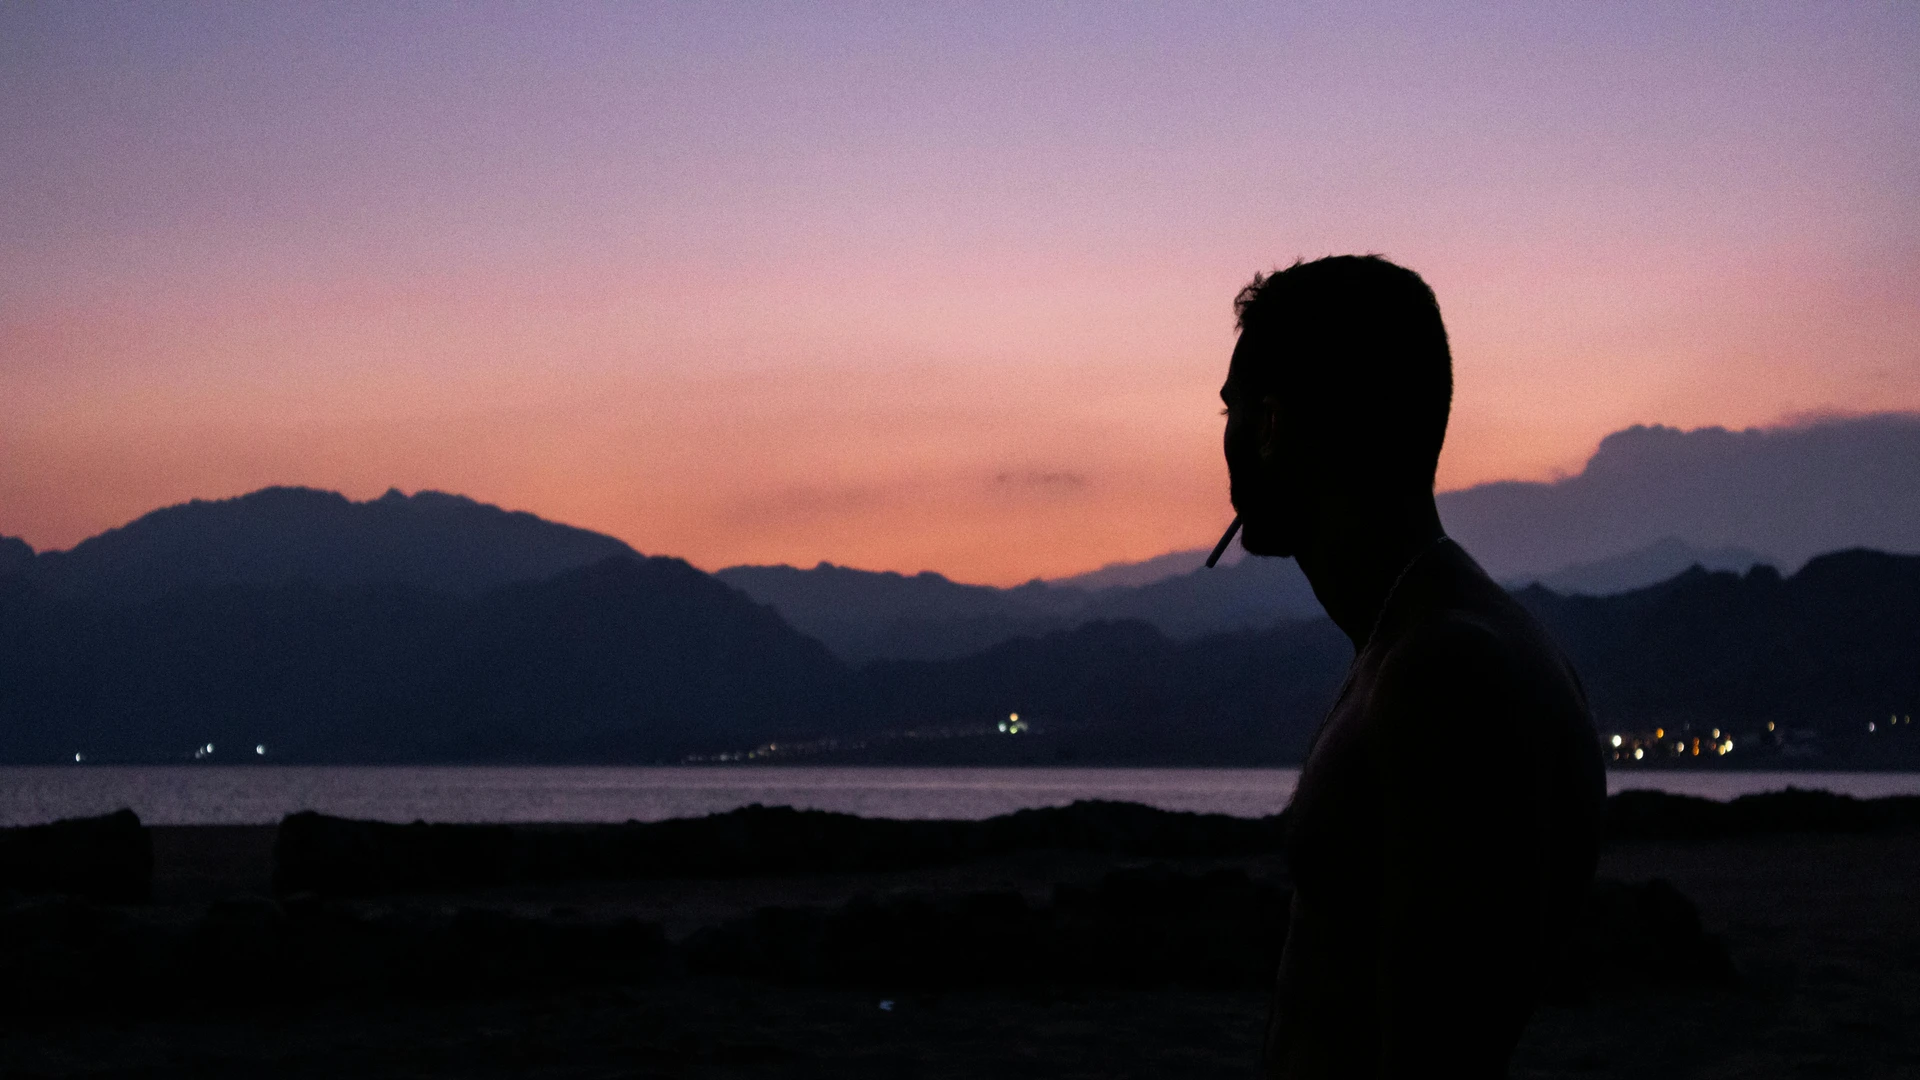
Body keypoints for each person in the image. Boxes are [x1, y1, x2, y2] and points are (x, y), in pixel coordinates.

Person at [1218, 256, 1605, 1078]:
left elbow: (1439, 1046)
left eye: (1233, 408)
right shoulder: (1414, 643)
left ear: (1273, 426)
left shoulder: (1444, 675)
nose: (1224, 439)